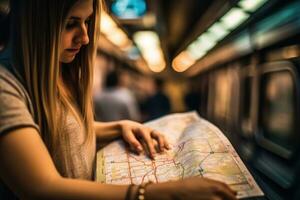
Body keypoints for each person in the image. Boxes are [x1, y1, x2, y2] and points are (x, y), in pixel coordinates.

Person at [0, 0, 237, 199]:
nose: (84, 38)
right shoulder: (5, 86)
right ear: (35, 24)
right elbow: (41, 187)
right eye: (71, 24)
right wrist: (152, 193)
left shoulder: (56, 74)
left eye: (87, 22)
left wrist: (117, 126)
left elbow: (58, 129)